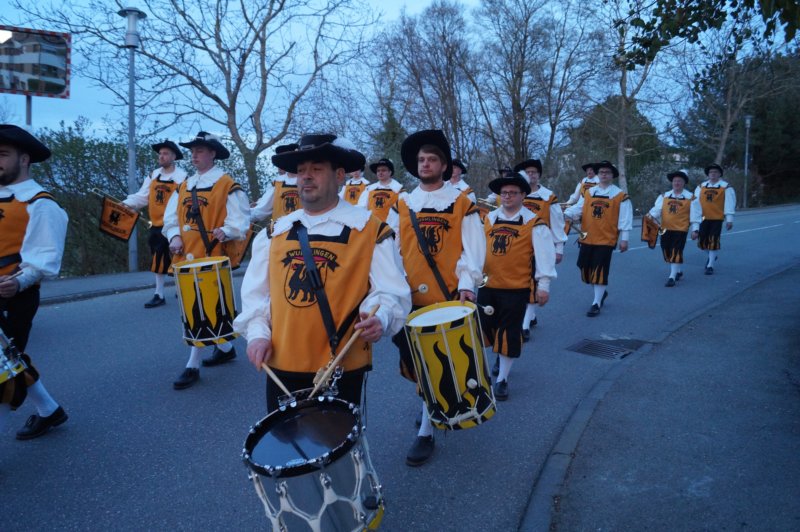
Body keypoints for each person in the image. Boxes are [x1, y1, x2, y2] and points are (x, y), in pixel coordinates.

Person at [233, 134, 410, 412]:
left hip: (340, 368)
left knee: (338, 440)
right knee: (284, 439)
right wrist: (257, 334)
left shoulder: (369, 230)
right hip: (281, 364)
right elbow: (256, 295)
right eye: (301, 170)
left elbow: (389, 292)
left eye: (316, 169)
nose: (306, 176)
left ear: (339, 176)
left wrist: (381, 317)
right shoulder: (274, 233)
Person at [386, 129, 485, 467]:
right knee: (416, 363)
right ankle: (429, 403)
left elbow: (472, 248)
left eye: (431, 159)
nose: (425, 164)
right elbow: (390, 248)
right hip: (409, 297)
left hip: (447, 296)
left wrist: (468, 283)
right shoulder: (402, 203)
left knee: (438, 362)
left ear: (444, 166)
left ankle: (426, 430)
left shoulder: (461, 202)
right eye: (421, 160)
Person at [163, 131, 250, 389]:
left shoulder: (227, 185)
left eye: (199, 151)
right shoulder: (184, 185)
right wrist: (174, 236)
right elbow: (171, 218)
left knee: (201, 309)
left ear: (213, 154)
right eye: (192, 151)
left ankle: (193, 364)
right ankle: (225, 349)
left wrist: (228, 230)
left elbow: (240, 220)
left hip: (212, 257)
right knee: (196, 307)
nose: (194, 156)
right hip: (185, 257)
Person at [0, 125, 69, 440]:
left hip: (14, 297)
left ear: (24, 159)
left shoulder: (41, 204)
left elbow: (44, 259)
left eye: (3, 155)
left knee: (3, 372)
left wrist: (18, 282)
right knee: (11, 359)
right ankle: (49, 410)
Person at [480, 173, 555, 401]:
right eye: (504, 193)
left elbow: (544, 257)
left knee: (509, 331)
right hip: (488, 285)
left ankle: (502, 379)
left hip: (516, 288)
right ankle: (499, 355)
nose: (507, 196)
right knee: (486, 328)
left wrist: (543, 286)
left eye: (513, 193)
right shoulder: (489, 219)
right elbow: (477, 250)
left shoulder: (535, 223)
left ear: (523, 195)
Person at [122, 140, 187, 308]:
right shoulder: (153, 175)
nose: (161, 156)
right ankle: (159, 293)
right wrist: (126, 204)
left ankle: (182, 288)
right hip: (157, 225)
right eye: (160, 153)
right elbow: (143, 196)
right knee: (158, 258)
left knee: (179, 256)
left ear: (173, 157)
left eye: (166, 154)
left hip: (176, 225)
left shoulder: (182, 177)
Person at [564, 160, 632, 317]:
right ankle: (601, 292)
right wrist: (566, 214)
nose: (604, 175)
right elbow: (579, 208)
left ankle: (596, 303)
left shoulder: (621, 196)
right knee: (584, 268)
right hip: (587, 237)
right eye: (601, 172)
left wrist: (625, 239)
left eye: (607, 172)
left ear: (612, 175)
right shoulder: (589, 192)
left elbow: (625, 218)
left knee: (599, 270)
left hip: (606, 239)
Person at [513, 158, 567, 342]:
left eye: (534, 172)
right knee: (521, 283)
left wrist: (559, 248)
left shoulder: (548, 196)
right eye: (528, 172)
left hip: (540, 247)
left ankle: (524, 325)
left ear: (539, 175)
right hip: (518, 247)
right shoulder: (518, 193)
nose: (531, 175)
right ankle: (531, 315)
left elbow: (557, 223)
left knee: (533, 284)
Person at [647, 171, 702, 286]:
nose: (677, 183)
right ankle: (678, 270)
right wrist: (650, 216)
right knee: (666, 251)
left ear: (684, 183)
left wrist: (695, 230)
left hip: (681, 229)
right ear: (672, 182)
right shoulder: (664, 196)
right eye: (675, 181)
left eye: (679, 181)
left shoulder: (691, 198)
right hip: (665, 229)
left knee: (676, 251)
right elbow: (656, 210)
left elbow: (695, 215)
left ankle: (672, 277)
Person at [692, 163, 736, 275]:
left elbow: (729, 203)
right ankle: (713, 256)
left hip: (717, 218)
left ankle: (710, 265)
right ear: (708, 174)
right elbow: (695, 203)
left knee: (713, 241)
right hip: (703, 218)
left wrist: (729, 219)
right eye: (711, 172)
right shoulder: (701, 186)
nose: (713, 174)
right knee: (702, 242)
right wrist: (694, 218)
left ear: (719, 174)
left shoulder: (726, 187)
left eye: (715, 172)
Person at [250, 143, 301, 223]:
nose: (279, 168)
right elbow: (261, 210)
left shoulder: (309, 181)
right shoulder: (277, 183)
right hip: (280, 229)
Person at [357, 158, 404, 222]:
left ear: (390, 172)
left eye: (383, 170)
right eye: (378, 171)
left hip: (391, 227)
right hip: (372, 225)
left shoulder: (398, 190)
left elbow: (403, 213)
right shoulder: (369, 189)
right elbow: (361, 208)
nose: (380, 173)